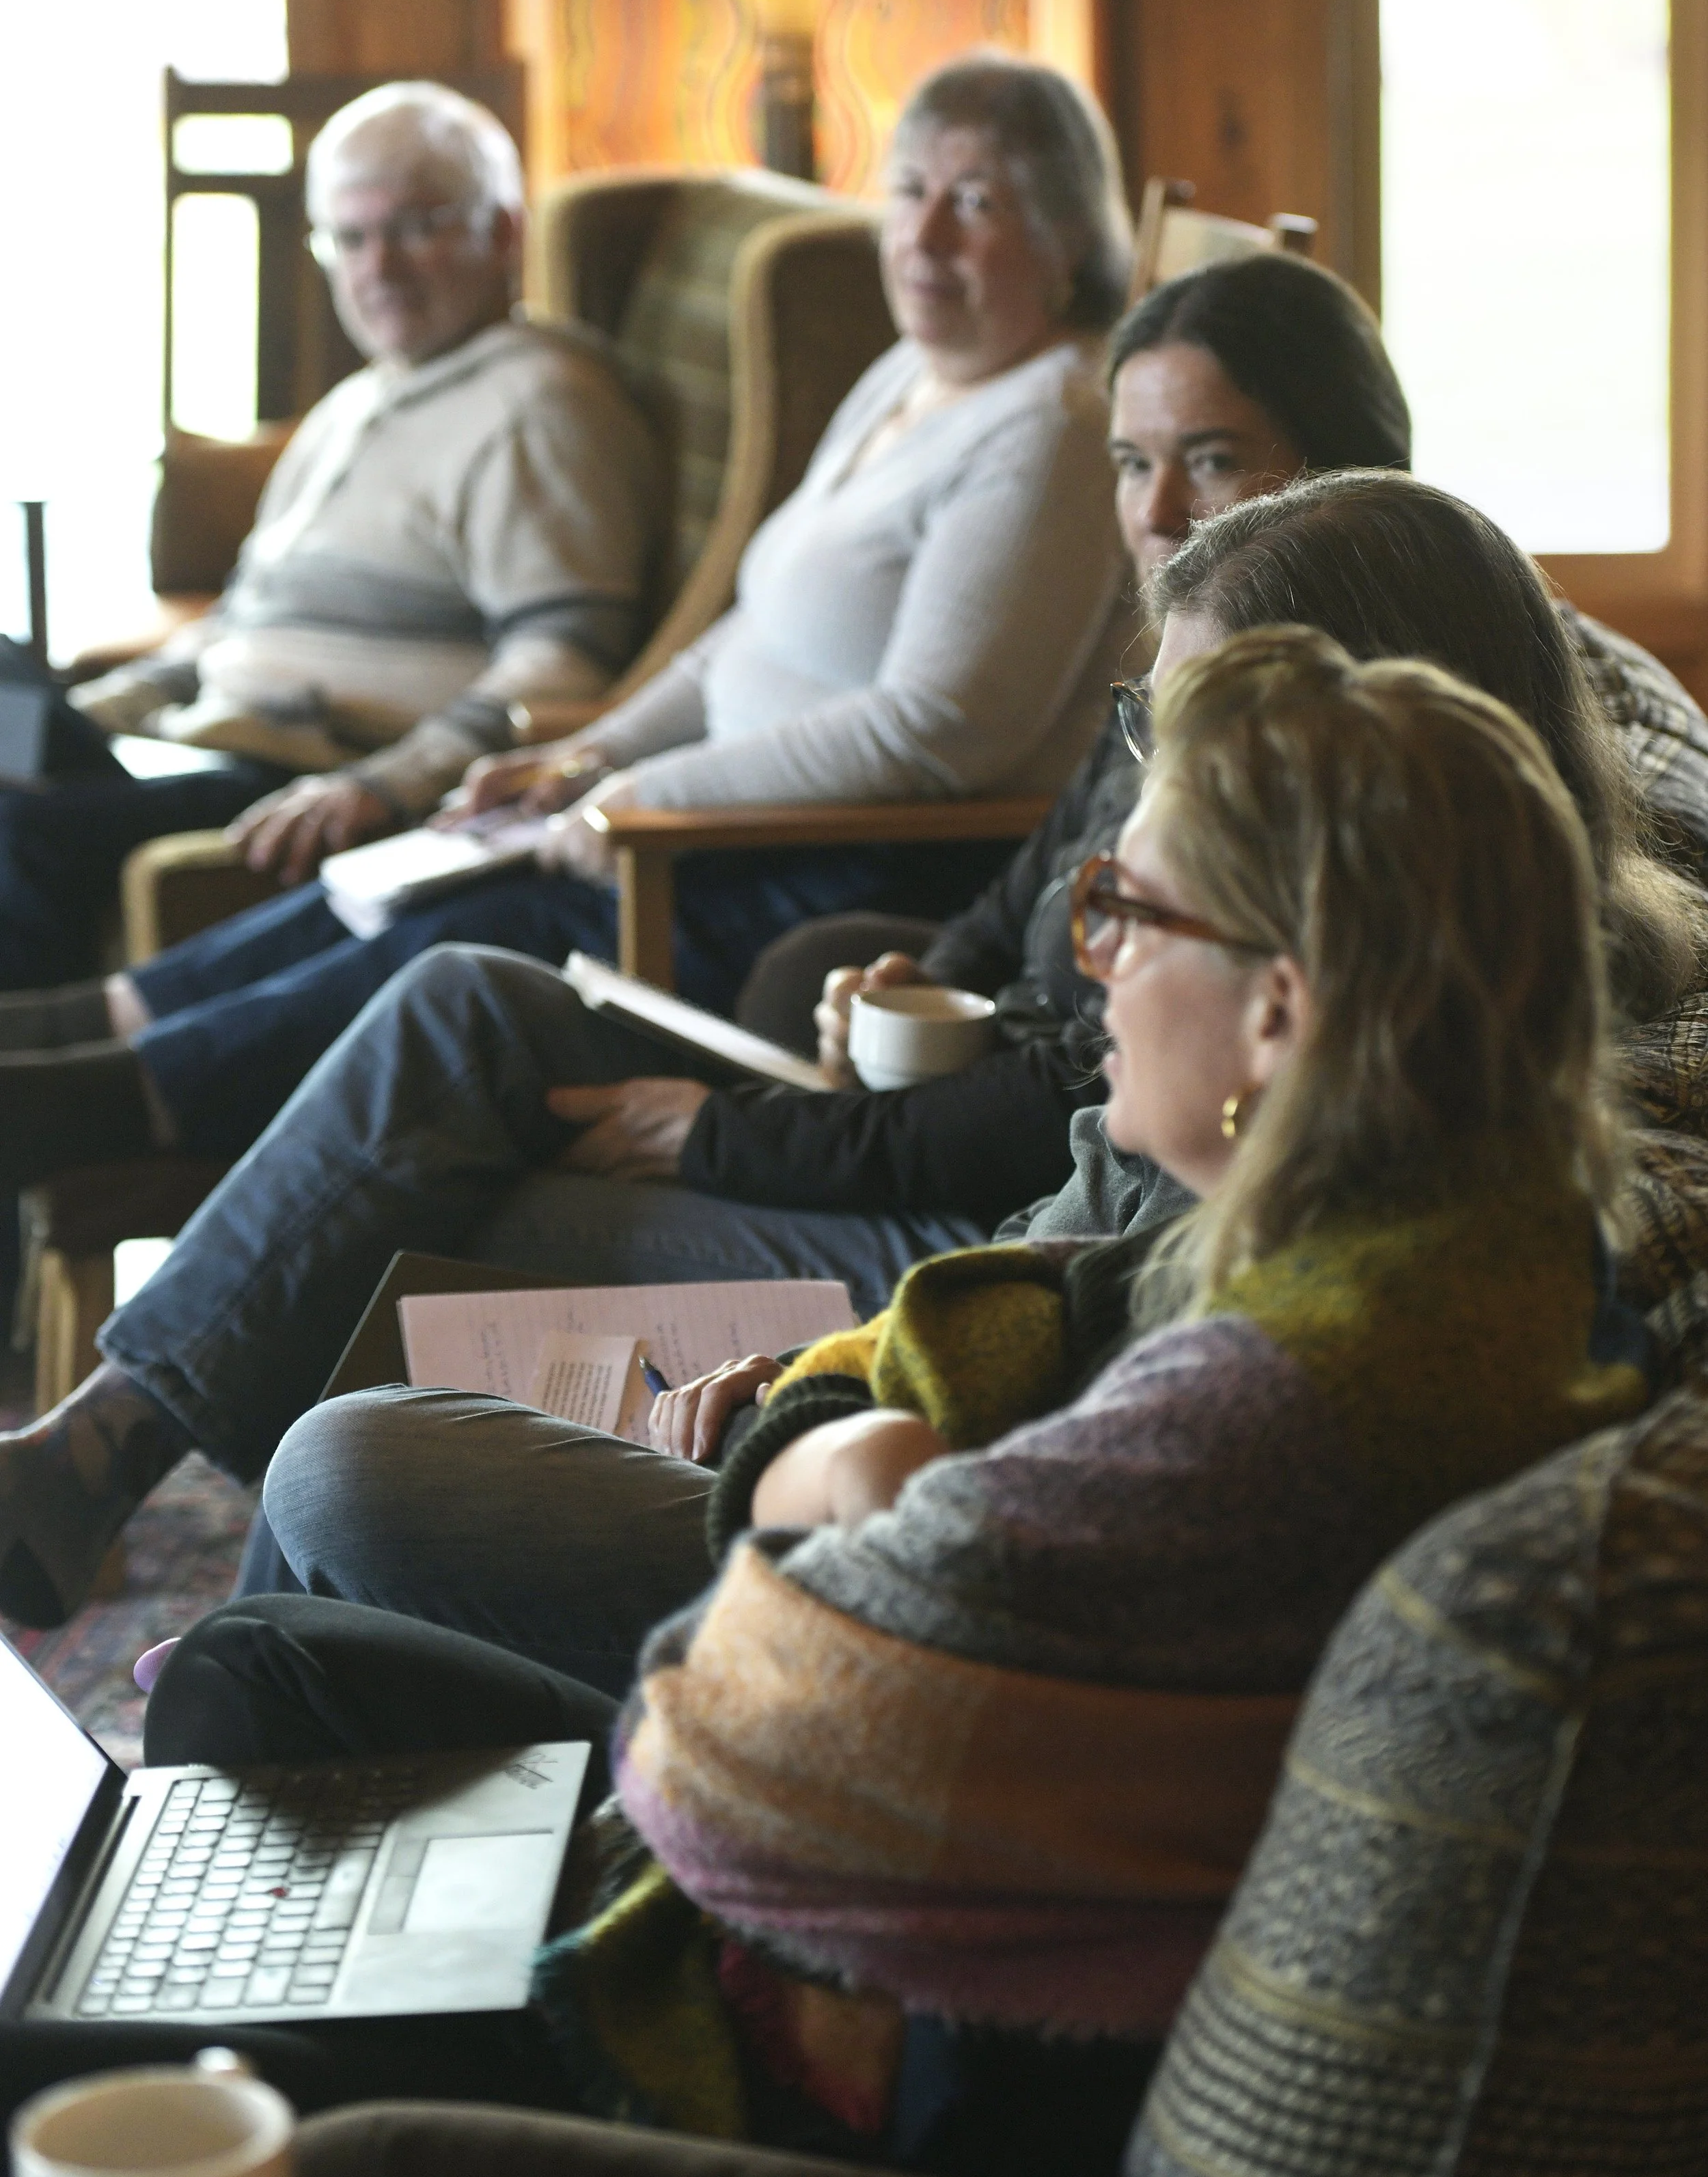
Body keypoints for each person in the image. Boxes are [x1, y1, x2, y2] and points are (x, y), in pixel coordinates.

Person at [0, 629, 1659, 2177]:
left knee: (73, 2021)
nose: (1092, 975)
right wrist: (856, 1466)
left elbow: (723, 1750)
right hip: (888, 1934)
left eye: (1125, 916)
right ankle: (231, 1946)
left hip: (805, 2049)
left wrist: (827, 1457)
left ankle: (236, 2078)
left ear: (1280, 1010)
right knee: (249, 1669)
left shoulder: (1248, 1409)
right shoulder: (1472, 1273)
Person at [5, 470, 1707, 1634]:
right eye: (1130, 454)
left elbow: (1081, 1307)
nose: (1154, 499)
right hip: (945, 1313)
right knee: (458, 1035)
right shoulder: (1281, 964)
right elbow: (1059, 1115)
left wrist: (813, 1334)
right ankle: (187, 1577)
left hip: (938, 1356)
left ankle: (233, 1623)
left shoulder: (1373, 1104)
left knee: (381, 1389)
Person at [0, 51, 1133, 1185]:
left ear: (1071, 234)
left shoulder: (1050, 425)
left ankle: (105, 1102)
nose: (923, 238)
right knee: (414, 873)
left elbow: (935, 730)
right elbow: (736, 635)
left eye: (976, 203)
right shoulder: (907, 379)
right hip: (703, 821)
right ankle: (84, 1033)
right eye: (908, 190)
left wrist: (637, 797)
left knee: (467, 933)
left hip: (812, 858)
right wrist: (588, 753)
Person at [1, 80, 663, 990]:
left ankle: (40, 1103)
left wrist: (384, 783)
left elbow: (565, 663)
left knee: (13, 827)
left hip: (302, 770)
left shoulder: (539, 408)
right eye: (350, 237)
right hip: (203, 735)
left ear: (503, 232)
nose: (378, 266)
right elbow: (241, 626)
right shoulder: (362, 398)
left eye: (417, 227)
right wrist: (100, 709)